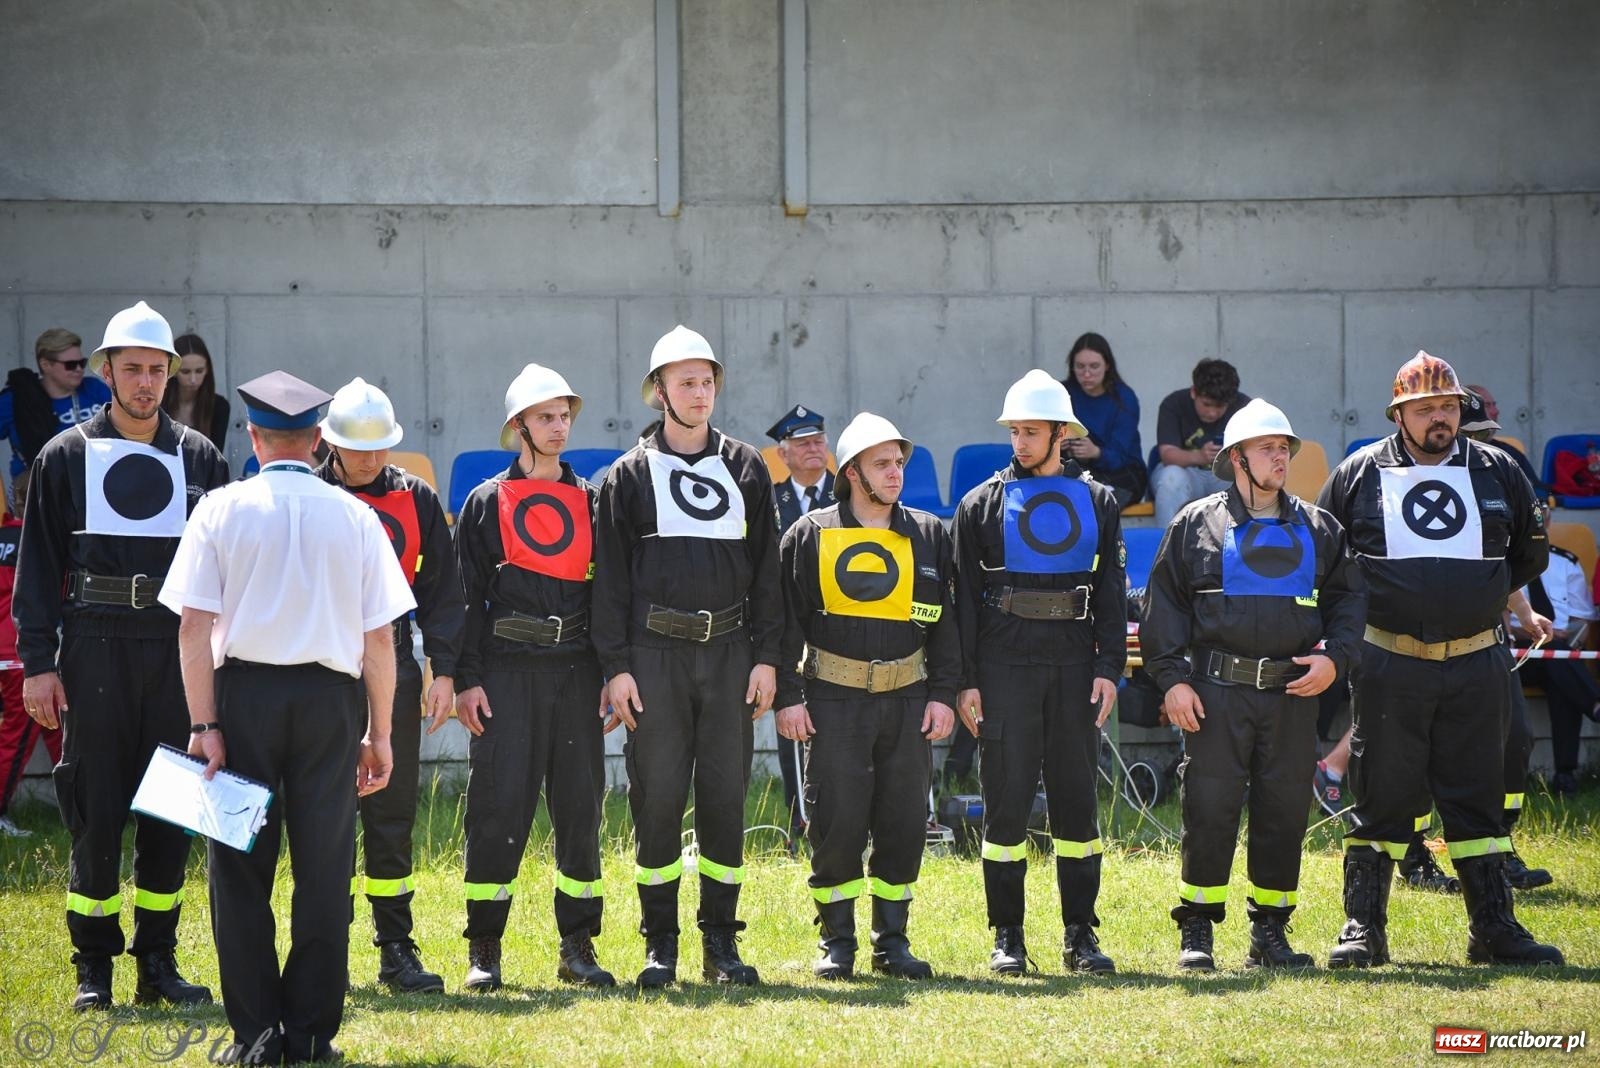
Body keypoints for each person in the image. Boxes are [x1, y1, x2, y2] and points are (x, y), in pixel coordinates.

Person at [160, 370, 414, 1065]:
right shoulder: (357, 516)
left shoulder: (219, 508)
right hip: (331, 704)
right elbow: (382, 638)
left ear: (252, 435)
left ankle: (257, 1037)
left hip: (241, 701)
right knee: (325, 871)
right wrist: (380, 732)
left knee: (238, 871)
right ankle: (309, 1034)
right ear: (318, 440)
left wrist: (204, 724)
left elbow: (191, 628)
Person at [14, 302, 226, 1012]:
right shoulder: (63, 455)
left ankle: (158, 962)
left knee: (173, 805)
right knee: (96, 806)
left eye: (156, 370)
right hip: (96, 642)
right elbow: (38, 567)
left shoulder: (201, 457)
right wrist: (39, 662)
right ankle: (93, 969)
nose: (144, 382)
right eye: (131, 368)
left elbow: (225, 570)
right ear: (106, 372)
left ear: (171, 375)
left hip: (176, 646)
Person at [1317, 350, 1560, 968]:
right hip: (1390, 662)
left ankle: (1495, 929)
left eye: (1448, 407)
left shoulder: (1501, 471)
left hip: (1478, 661)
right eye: (1424, 409)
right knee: (1382, 792)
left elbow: (1527, 557)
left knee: (1477, 795)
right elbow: (1327, 561)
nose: (1439, 419)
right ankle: (1362, 928)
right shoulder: (1356, 474)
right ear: (1398, 414)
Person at [593, 325, 784, 988]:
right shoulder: (625, 477)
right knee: (657, 800)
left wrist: (767, 659)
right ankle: (660, 947)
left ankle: (722, 947)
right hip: (654, 659)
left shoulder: (748, 467)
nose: (699, 393)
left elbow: (769, 574)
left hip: (731, 655)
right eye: (685, 383)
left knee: (727, 797)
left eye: (706, 381)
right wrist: (616, 668)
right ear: (660, 394)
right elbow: (610, 582)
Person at [1143, 399, 1364, 971]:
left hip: (1293, 696)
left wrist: (1335, 659)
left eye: (1284, 448)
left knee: (1283, 812)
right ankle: (1197, 930)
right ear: (1236, 458)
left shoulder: (1320, 528)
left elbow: (1349, 602)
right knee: (1209, 809)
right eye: (1267, 448)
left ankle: (1270, 932)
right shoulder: (1195, 525)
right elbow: (1163, 608)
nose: (1280, 456)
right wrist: (1172, 682)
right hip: (1216, 695)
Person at [951, 370, 1126, 975]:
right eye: (1015, 431)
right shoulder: (980, 505)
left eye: (1031, 431)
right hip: (1004, 666)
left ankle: (1081, 934)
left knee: (1078, 806)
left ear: (1061, 433)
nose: (1020, 442)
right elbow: (962, 602)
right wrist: (966, 680)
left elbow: (1110, 591)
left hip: (1077, 665)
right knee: (1006, 804)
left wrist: (1109, 668)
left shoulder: (1100, 501)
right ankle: (1008, 936)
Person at [775, 412, 958, 980]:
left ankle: (892, 942)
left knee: (904, 821)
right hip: (833, 701)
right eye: (882, 464)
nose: (895, 472)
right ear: (852, 472)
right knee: (837, 820)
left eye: (899, 461)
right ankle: (837, 942)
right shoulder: (809, 535)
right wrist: (788, 696)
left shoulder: (929, 533)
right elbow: (785, 624)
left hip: (908, 699)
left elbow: (947, 624)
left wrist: (944, 693)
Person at [454, 363, 615, 992]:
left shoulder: (593, 500)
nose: (558, 427)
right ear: (519, 425)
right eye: (545, 417)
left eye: (564, 416)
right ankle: (485, 949)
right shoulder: (485, 501)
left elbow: (610, 596)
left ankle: (577, 946)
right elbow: (465, 602)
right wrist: (466, 679)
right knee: (497, 809)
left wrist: (609, 673)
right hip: (505, 673)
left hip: (576, 671)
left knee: (581, 810)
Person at [317, 377, 463, 994]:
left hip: (395, 667)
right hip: (320, 668)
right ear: (331, 443)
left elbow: (443, 593)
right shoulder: (311, 495)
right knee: (323, 814)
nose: (371, 460)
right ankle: (325, 950)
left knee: (391, 810)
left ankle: (395, 948)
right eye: (358, 449)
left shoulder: (417, 498)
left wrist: (444, 670)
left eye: (381, 448)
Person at [767, 403, 835, 845]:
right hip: (789, 624)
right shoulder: (771, 501)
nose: (813, 449)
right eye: (802, 443)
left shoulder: (849, 493)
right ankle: (800, 823)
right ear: (784, 453)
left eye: (818, 441)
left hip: (839, 624)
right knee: (792, 722)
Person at [0, 467, 60, 837]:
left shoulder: (9, 534)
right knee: (19, 735)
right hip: (23, 654)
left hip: (14, 652)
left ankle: (83, 802)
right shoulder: (39, 540)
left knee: (59, 726)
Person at [1514, 542, 1600, 797]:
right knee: (1562, 666)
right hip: (1517, 654)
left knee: (1560, 672)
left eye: (1543, 512)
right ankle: (1594, 704)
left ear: (1549, 518)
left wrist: (1567, 639)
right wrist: (1529, 631)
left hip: (1558, 651)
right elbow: (1501, 621)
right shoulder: (1500, 556)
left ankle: (1564, 777)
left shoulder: (1565, 562)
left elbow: (1583, 618)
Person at [0, 328, 112, 486]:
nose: (79, 369)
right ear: (45, 365)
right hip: (38, 489)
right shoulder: (17, 399)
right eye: (71, 365)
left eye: (81, 363)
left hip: (95, 481)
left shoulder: (94, 388)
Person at [1151, 359, 1250, 527]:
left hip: (1225, 476)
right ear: (1193, 392)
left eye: (1219, 407)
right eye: (1206, 404)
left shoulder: (1246, 408)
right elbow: (1167, 454)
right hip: (1188, 474)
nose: (1212, 413)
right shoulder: (1174, 404)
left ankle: (1243, 546)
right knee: (1171, 478)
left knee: (1249, 480)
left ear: (1231, 401)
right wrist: (1200, 456)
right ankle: (1166, 546)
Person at [1061, 332, 1146, 509]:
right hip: (1074, 468)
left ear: (1107, 365)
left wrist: (1096, 452)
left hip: (1120, 472)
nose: (1086, 374)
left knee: (1097, 498)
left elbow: (1122, 454)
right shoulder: (1062, 393)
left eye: (1094, 366)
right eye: (1080, 366)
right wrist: (1057, 443)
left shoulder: (1124, 398)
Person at [162, 333, 231, 452]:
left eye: (199, 371)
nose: (193, 380)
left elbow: (215, 455)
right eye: (185, 372)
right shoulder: (159, 404)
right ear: (172, 370)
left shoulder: (219, 407)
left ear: (207, 369)